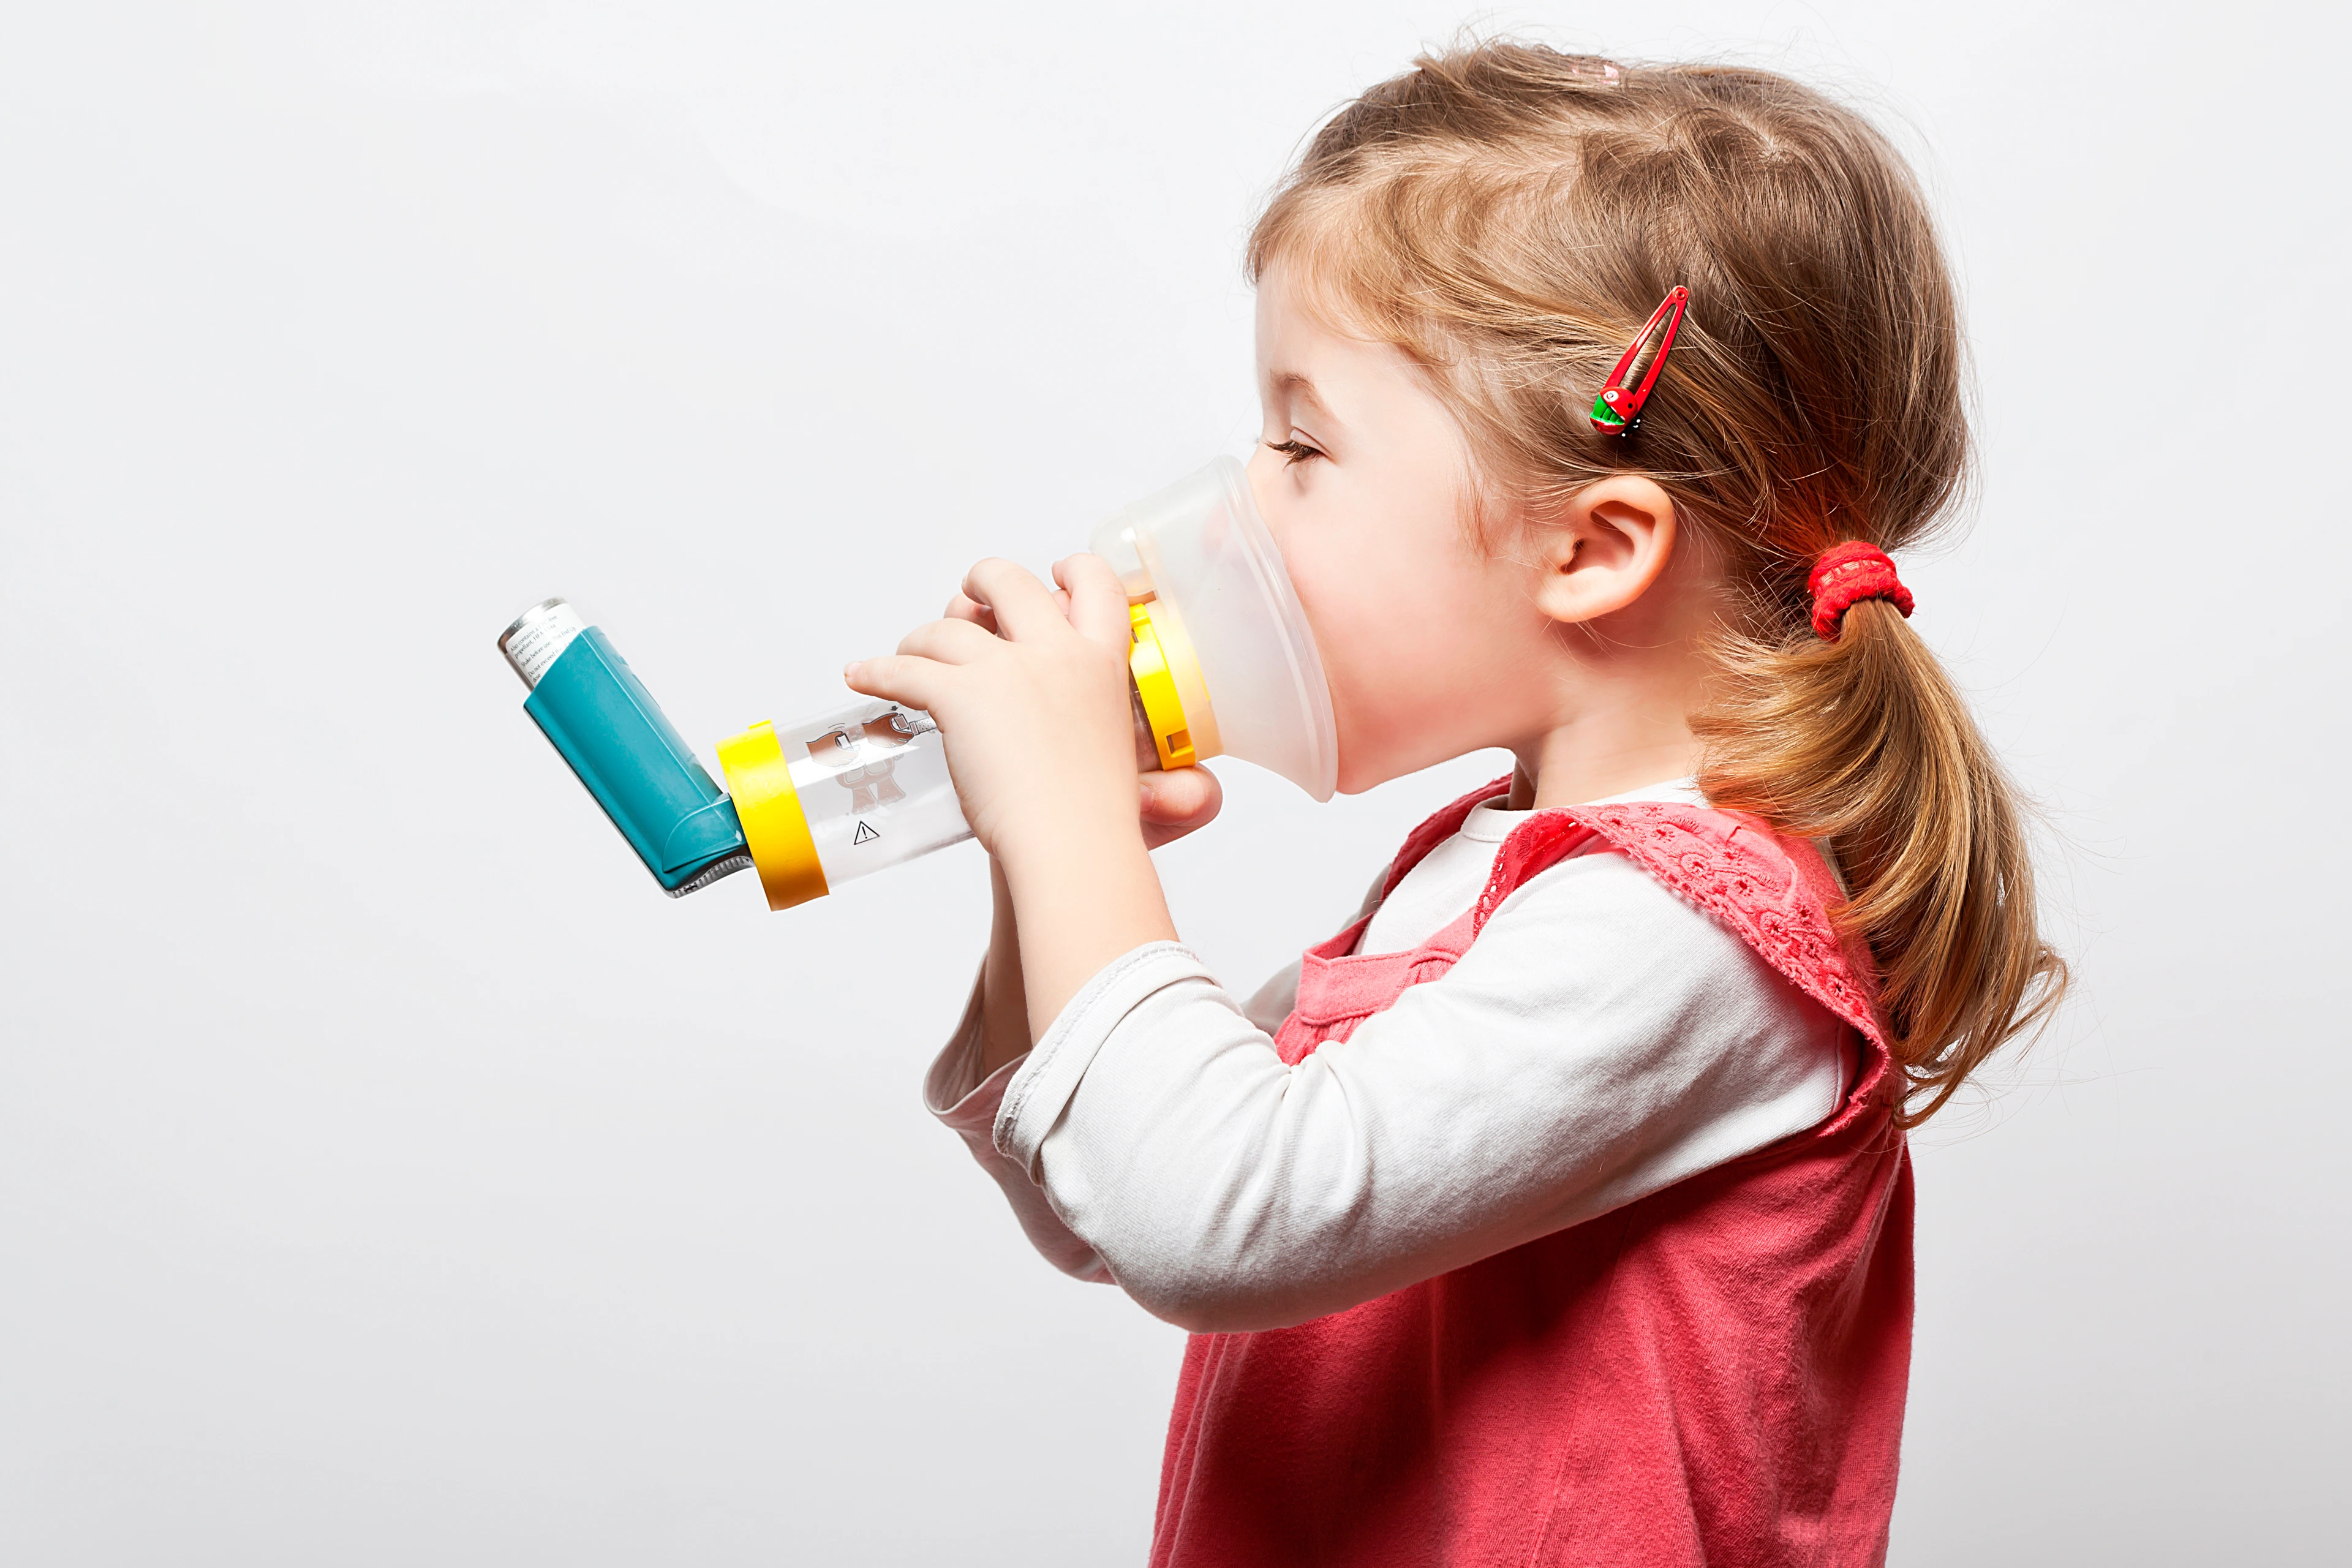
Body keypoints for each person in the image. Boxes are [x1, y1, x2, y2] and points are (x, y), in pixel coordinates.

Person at [845, 40, 2065, 1567]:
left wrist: (1071, 824)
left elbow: (1213, 1215)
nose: (1232, 509)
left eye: (1301, 446)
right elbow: (1103, 1195)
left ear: (1593, 549)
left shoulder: (1688, 934)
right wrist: (1037, 863)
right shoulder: (1491, 871)